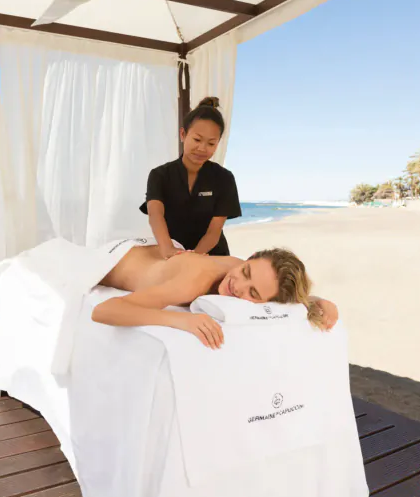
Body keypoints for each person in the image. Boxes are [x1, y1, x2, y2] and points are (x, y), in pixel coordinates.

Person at [93, 246, 339, 350]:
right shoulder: (192, 283)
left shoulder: (247, 272)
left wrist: (314, 301)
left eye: (252, 293)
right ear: (249, 259)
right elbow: (103, 311)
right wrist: (180, 320)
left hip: (157, 254)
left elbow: (278, 294)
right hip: (111, 260)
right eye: (245, 271)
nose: (237, 285)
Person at [140, 97, 241, 258]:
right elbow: (155, 215)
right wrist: (168, 249)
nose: (202, 148)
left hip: (211, 255)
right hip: (172, 253)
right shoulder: (160, 175)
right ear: (183, 134)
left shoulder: (224, 178)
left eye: (211, 143)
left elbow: (214, 231)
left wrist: (194, 257)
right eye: (197, 139)